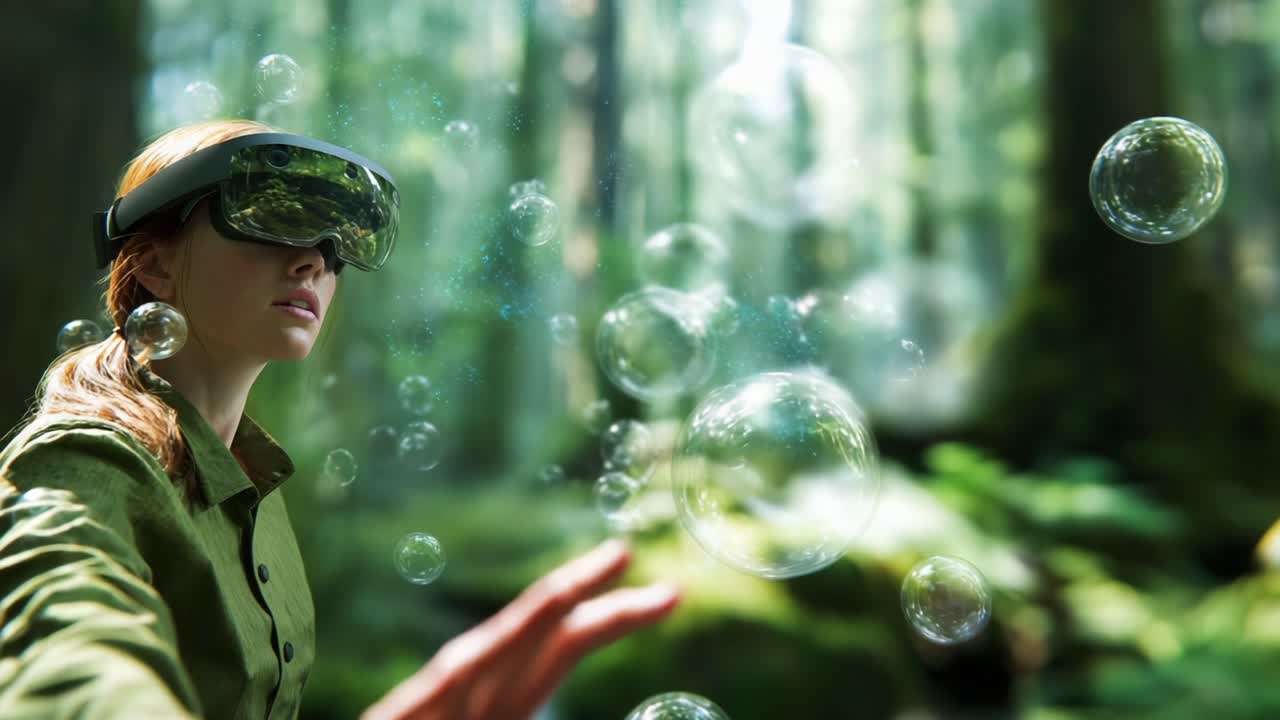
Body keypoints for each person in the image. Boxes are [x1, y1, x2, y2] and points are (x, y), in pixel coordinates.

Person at [0, 119, 680, 719]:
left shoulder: (253, 486)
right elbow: (59, 634)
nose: (315, 261)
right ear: (152, 264)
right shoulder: (86, 457)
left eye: (336, 245)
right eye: (271, 219)